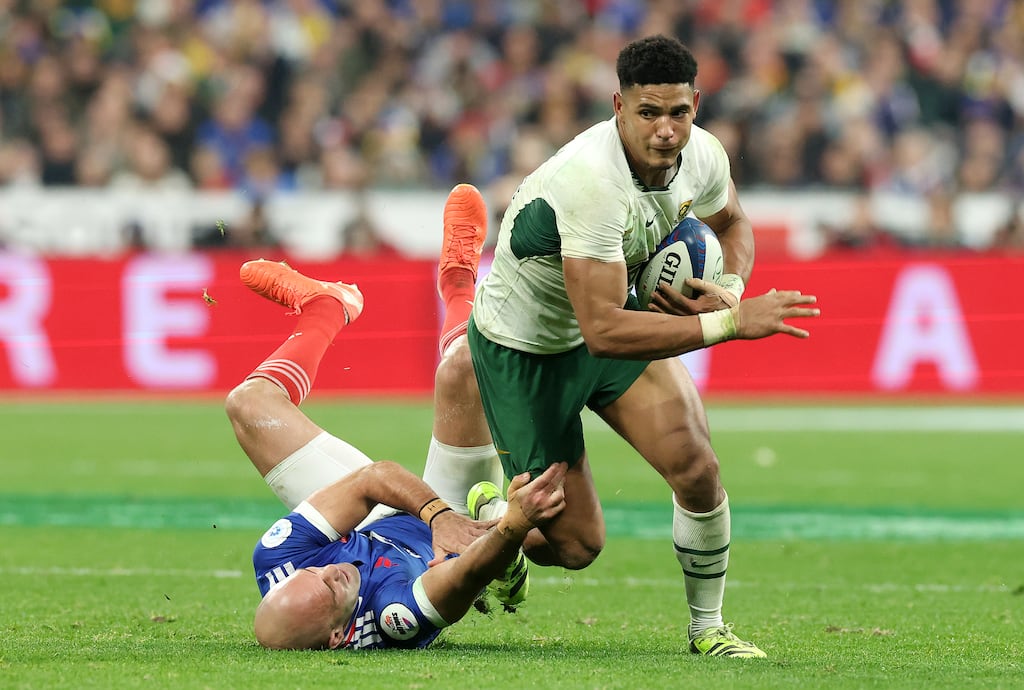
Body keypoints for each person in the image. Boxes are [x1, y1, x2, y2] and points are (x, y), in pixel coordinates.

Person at [455, 35, 821, 658]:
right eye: (648, 113)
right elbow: (602, 329)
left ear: (696, 104)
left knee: (698, 467)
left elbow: (733, 223)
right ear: (618, 106)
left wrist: (729, 289)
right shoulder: (590, 182)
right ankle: (493, 529)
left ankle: (708, 629)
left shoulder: (702, 155)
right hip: (528, 348)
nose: (665, 130)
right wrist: (734, 324)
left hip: (609, 325)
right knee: (576, 546)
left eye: (678, 112)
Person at [226, 258, 567, 650]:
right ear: (338, 636)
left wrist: (433, 514)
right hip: (452, 528)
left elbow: (374, 478)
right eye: (333, 588)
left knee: (248, 405)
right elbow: (464, 576)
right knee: (463, 366)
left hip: (379, 518)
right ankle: (459, 285)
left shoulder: (281, 562)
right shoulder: (392, 617)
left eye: (316, 572)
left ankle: (325, 307)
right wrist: (509, 529)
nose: (331, 570)